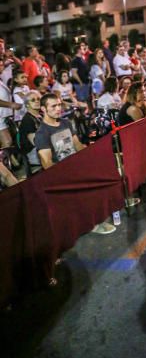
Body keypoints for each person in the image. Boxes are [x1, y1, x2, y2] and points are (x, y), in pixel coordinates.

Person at [35, 93, 116, 235]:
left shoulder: (66, 123)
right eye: (53, 106)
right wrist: (65, 176)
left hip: (75, 165)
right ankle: (91, 224)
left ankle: (101, 213)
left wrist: (91, 156)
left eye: (59, 105)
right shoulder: (42, 133)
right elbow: (47, 163)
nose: (58, 108)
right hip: (61, 173)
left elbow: (77, 145)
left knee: (104, 169)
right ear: (43, 109)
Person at [18, 90, 42, 174]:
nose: (37, 101)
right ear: (27, 104)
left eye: (38, 99)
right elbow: (35, 142)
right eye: (33, 100)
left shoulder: (41, 115)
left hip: (43, 147)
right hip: (33, 152)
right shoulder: (27, 120)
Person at [0, 59, 22, 147]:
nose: (2, 67)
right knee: (7, 142)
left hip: (3, 116)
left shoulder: (1, 80)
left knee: (7, 143)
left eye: (2, 65)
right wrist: (11, 105)